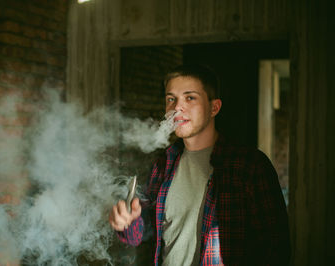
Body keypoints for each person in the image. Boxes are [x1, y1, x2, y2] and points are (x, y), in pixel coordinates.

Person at [109, 64, 290, 265]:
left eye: (190, 98)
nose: (177, 107)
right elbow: (143, 235)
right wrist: (128, 223)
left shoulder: (249, 166)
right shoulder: (162, 165)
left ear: (214, 107)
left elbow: (276, 250)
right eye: (171, 99)